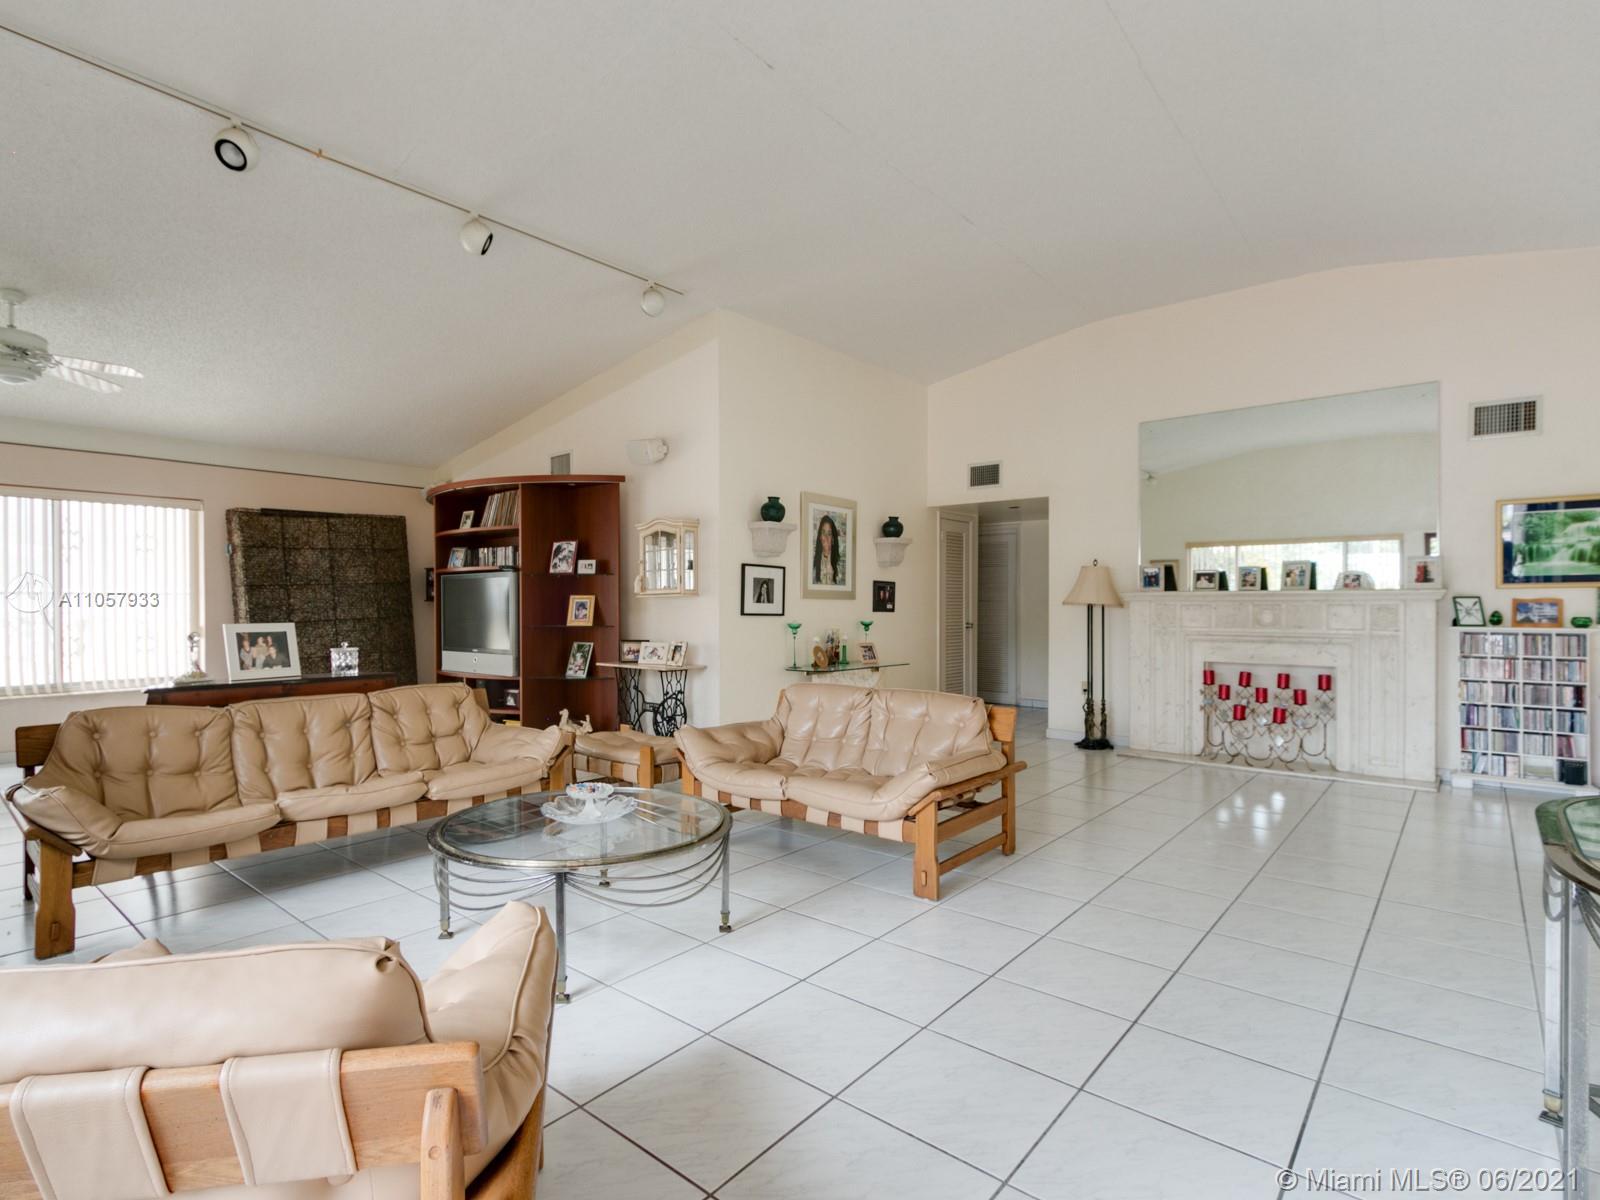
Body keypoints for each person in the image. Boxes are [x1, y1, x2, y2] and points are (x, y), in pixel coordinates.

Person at [812, 514, 843, 586]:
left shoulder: (838, 563)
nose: (826, 537)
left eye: (829, 533)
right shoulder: (814, 563)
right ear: (820, 536)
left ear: (833, 538)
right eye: (823, 533)